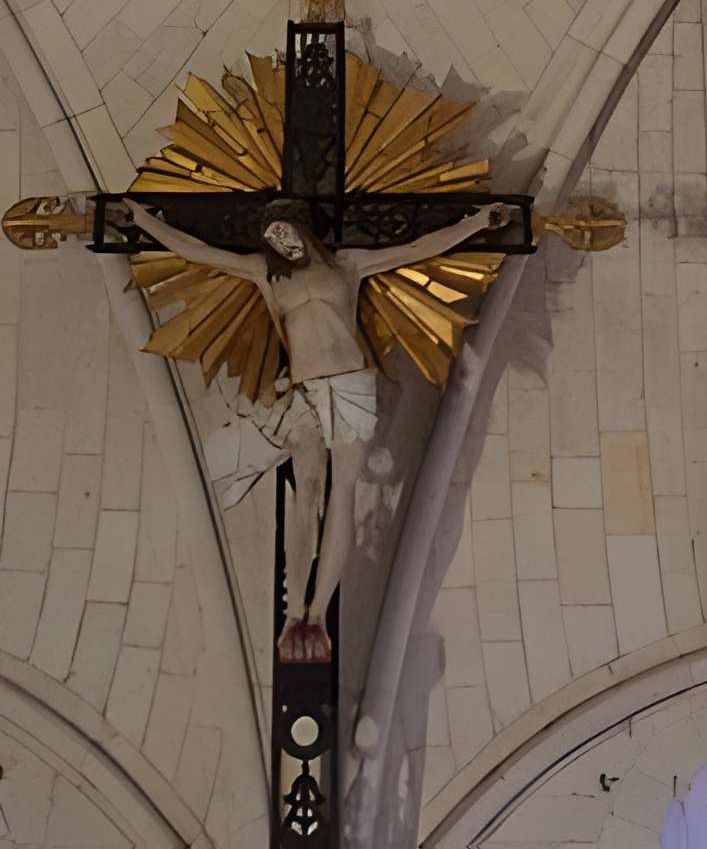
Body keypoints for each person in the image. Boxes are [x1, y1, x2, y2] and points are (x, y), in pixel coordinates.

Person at [132, 197, 501, 658]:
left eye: (284, 231)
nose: (280, 242)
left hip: (349, 388)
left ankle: (318, 612)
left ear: (303, 230)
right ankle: (294, 612)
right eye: (271, 237)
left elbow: (419, 249)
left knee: (342, 491)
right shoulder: (265, 274)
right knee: (305, 496)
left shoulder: (347, 265)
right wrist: (144, 221)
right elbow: (198, 253)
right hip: (305, 391)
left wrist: (476, 222)